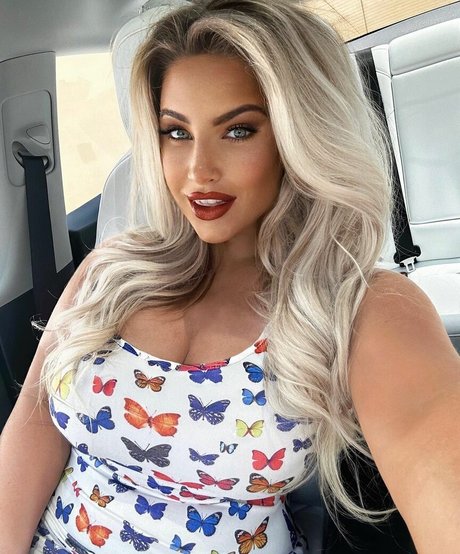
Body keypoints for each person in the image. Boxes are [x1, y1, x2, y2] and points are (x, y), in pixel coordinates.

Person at [0, 0, 459, 552]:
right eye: (176, 132)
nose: (198, 170)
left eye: (238, 130)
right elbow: (32, 431)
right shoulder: (110, 269)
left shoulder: (360, 306)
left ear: (300, 133)